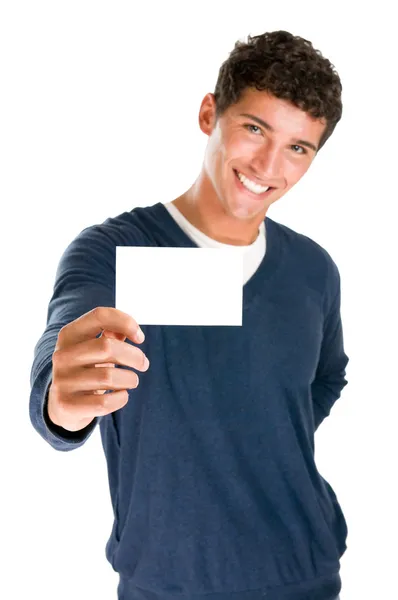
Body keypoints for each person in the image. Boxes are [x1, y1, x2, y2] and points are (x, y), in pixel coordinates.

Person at [29, 30, 348, 600]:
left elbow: (327, 377)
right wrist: (63, 396)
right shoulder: (114, 251)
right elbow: (66, 347)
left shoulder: (312, 269)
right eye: (255, 128)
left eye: (298, 148)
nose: (269, 165)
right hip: (168, 581)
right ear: (210, 114)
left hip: (305, 569)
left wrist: (259, 434)